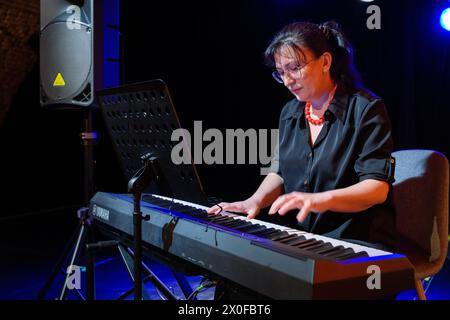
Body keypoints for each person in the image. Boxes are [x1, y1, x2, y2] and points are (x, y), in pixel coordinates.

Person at [208, 21, 397, 253]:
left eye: (295, 68)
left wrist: (318, 199)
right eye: (281, 73)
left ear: (325, 62)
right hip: (307, 237)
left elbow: (376, 189)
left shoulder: (366, 109)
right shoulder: (290, 112)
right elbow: (279, 172)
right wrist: (253, 202)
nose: (287, 81)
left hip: (356, 239)